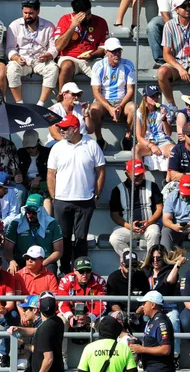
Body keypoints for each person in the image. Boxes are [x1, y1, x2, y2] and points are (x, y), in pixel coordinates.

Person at [48, 114, 107, 271]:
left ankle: (81, 273)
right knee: (64, 239)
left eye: (65, 128)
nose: (61, 130)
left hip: (85, 199)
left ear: (75, 129)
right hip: (62, 200)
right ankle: (66, 271)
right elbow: (50, 174)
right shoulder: (57, 147)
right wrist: (54, 196)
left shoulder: (92, 145)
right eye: (60, 128)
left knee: (81, 239)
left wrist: (97, 194)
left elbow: (101, 171)